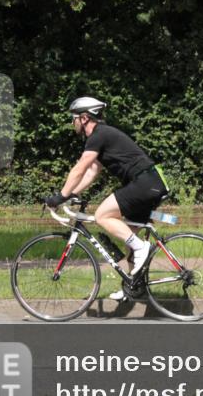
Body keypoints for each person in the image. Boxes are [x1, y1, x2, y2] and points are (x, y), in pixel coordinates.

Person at [44, 97, 168, 301]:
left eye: (74, 118)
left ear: (84, 118)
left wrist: (61, 195)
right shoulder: (103, 137)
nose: (72, 122)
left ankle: (141, 248)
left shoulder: (99, 135)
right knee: (130, 237)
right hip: (148, 182)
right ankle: (134, 287)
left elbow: (81, 167)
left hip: (145, 182)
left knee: (102, 215)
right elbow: (91, 173)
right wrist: (72, 194)